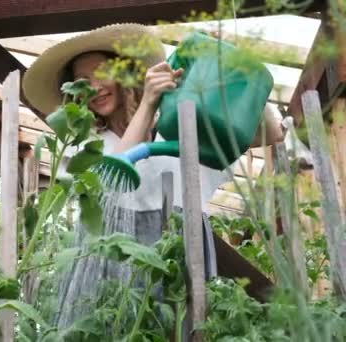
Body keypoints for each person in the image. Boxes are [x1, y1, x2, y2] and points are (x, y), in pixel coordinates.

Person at [22, 23, 284, 329]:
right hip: (114, 266)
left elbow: (272, 132)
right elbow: (110, 179)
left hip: (180, 256)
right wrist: (147, 102)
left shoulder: (179, 122)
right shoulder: (84, 143)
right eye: (83, 81)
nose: (94, 87)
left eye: (102, 73)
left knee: (177, 327)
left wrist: (224, 71)